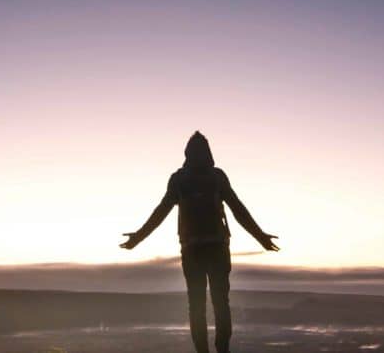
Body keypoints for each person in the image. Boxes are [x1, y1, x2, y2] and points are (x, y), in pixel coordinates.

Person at [120, 131, 279, 353]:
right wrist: (260, 236)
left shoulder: (179, 180)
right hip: (217, 249)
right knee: (220, 304)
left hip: (192, 250)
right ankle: (222, 350)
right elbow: (237, 209)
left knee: (197, 306)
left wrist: (138, 237)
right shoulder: (216, 177)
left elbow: (161, 212)